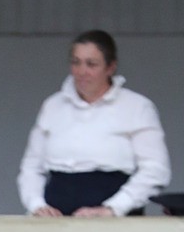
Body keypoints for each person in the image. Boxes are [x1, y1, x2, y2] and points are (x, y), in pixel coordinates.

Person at [17, 29, 170, 217]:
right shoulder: (53, 106)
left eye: (92, 64)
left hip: (116, 223)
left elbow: (155, 170)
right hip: (56, 223)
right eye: (76, 62)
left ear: (110, 67)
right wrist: (37, 204)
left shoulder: (137, 107)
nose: (82, 72)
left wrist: (113, 208)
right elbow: (31, 166)